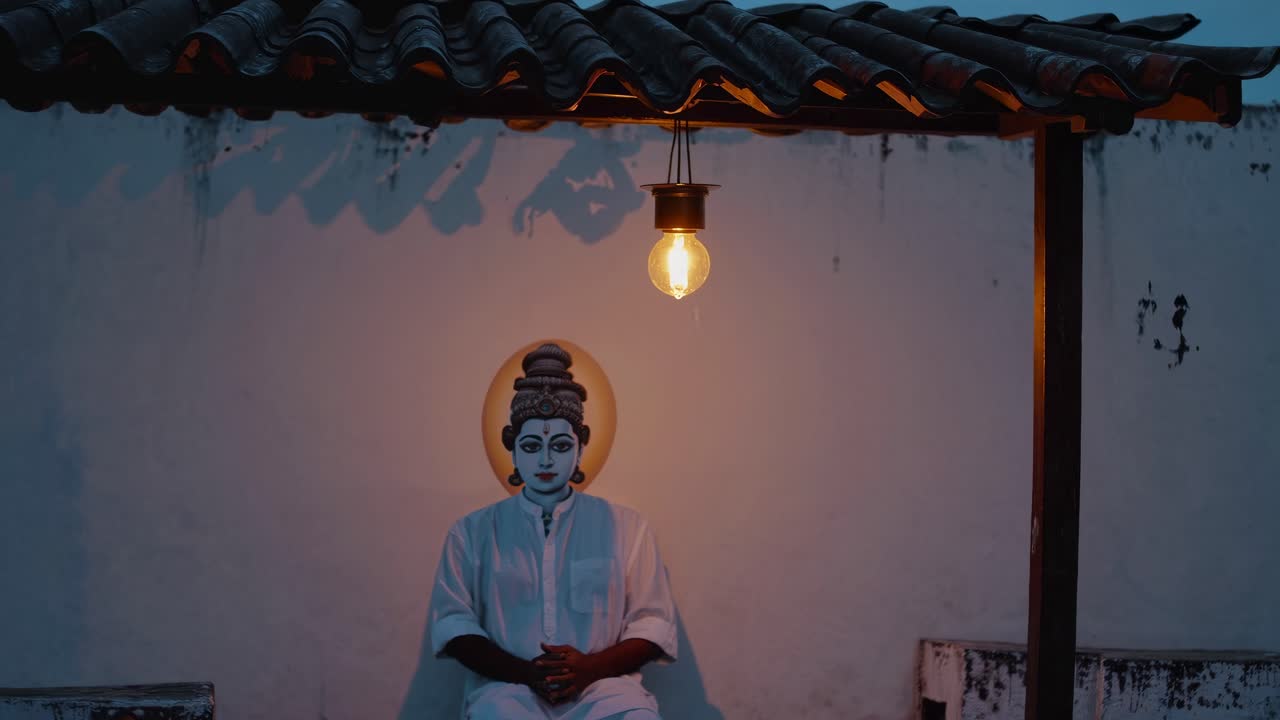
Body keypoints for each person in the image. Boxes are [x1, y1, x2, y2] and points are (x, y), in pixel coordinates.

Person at [429, 343, 677, 720]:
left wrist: (590, 669)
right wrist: (527, 673)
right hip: (508, 692)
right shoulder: (472, 532)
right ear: (511, 449)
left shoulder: (628, 528)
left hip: (605, 692)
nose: (546, 459)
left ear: (581, 446)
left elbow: (654, 623)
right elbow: (452, 623)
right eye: (532, 446)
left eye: (560, 445)